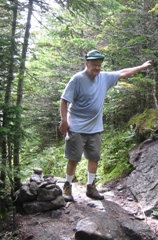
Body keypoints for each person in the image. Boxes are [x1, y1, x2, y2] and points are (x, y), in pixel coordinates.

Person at [59, 50, 152, 201]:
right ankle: (67, 186)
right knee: (73, 158)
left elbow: (123, 72)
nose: (97, 68)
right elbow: (64, 100)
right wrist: (64, 120)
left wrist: (141, 67)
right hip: (76, 127)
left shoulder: (104, 77)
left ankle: (90, 187)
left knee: (94, 157)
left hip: (95, 128)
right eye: (94, 65)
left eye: (99, 65)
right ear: (86, 64)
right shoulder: (77, 79)